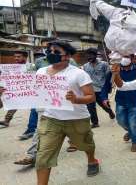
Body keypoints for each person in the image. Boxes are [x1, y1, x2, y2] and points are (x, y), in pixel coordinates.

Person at [34, 40, 99, 184]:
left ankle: (92, 160)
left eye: (56, 52)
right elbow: (36, 92)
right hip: (50, 118)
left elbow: (91, 97)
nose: (51, 54)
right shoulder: (40, 72)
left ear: (67, 56)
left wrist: (76, 99)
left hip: (77, 118)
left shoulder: (79, 74)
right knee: (43, 156)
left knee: (86, 145)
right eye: (49, 51)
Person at [101, 55, 136, 152]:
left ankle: (135, 142)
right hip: (121, 100)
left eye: (126, 56)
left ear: (131, 58)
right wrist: (104, 98)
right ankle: (131, 132)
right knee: (121, 121)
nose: (124, 59)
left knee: (133, 123)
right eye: (121, 56)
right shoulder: (113, 71)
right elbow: (106, 85)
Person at [83, 48, 115, 128]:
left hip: (101, 89)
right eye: (87, 56)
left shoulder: (104, 64)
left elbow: (108, 76)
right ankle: (95, 123)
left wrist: (110, 86)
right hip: (90, 89)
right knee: (90, 107)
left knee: (104, 105)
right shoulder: (85, 66)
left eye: (91, 55)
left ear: (95, 55)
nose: (89, 57)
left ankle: (110, 112)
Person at [0, 51, 31, 129]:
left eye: (18, 56)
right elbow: (4, 77)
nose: (16, 58)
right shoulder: (11, 67)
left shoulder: (30, 67)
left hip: (25, 91)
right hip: (10, 89)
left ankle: (7, 120)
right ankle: (6, 121)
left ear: (25, 57)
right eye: (15, 56)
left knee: (15, 103)